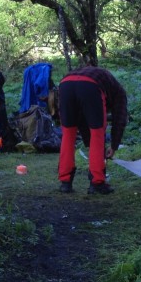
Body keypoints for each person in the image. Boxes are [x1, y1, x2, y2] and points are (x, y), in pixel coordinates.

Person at [57, 63, 128, 194]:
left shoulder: (101, 78)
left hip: (65, 84)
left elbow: (84, 119)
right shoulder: (119, 94)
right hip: (90, 85)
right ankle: (97, 183)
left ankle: (65, 183)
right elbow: (120, 119)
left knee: (68, 133)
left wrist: (110, 144)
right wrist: (114, 145)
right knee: (97, 134)